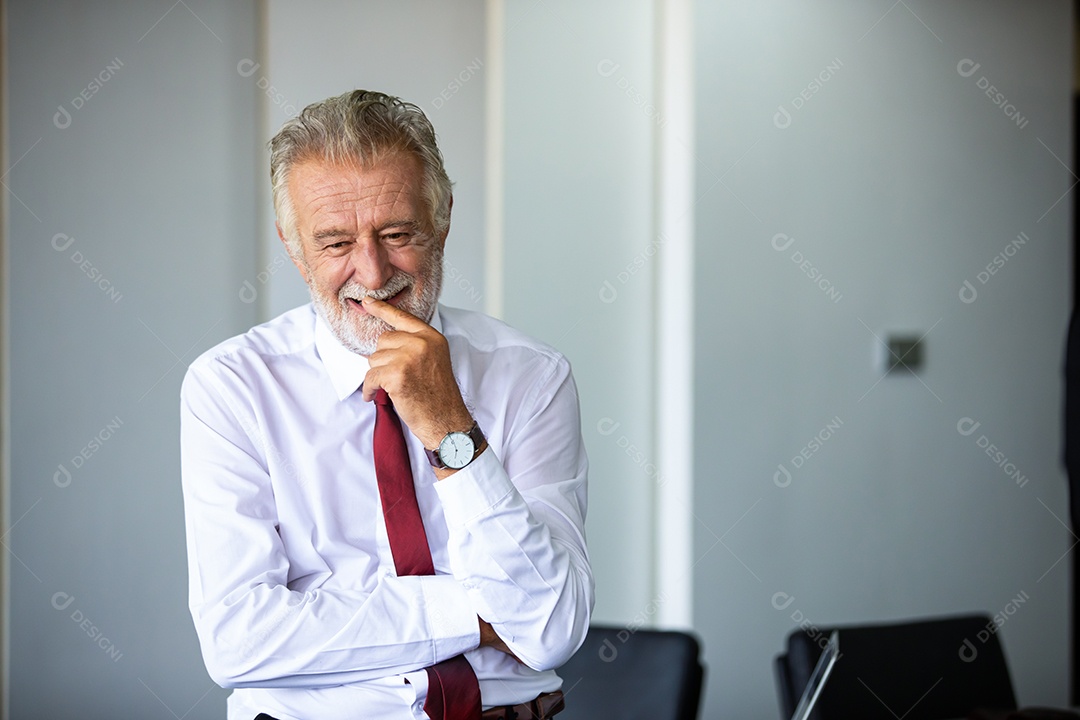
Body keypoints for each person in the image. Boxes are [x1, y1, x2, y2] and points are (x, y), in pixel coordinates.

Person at [180, 89, 593, 720]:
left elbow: (553, 627)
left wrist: (447, 424)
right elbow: (239, 640)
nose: (373, 275)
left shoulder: (532, 377)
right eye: (335, 243)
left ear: (443, 216)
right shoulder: (231, 386)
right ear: (294, 248)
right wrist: (478, 613)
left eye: (397, 233)